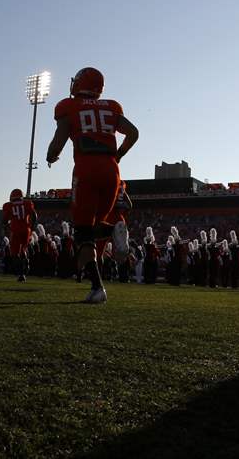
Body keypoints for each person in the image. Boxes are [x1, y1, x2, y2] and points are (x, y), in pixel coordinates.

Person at [46, 67, 139, 304]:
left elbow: (60, 138)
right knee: (93, 227)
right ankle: (111, 231)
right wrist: (119, 155)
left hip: (86, 167)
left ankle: (98, 287)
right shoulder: (112, 106)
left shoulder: (68, 105)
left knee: (83, 233)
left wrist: (51, 155)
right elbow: (133, 133)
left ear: (79, 83)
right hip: (111, 170)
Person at [3, 188, 35, 282]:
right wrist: (31, 227)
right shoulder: (27, 203)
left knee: (15, 253)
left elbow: (4, 220)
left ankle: (21, 273)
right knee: (23, 249)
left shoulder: (9, 206)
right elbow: (34, 216)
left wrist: (7, 225)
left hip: (15, 230)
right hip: (26, 230)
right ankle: (26, 262)